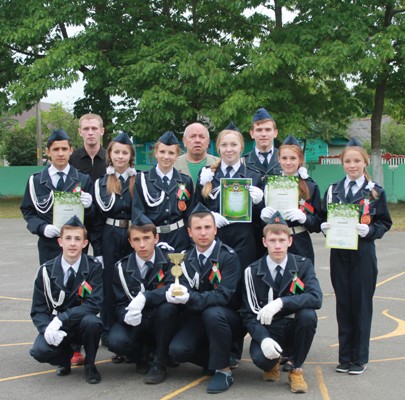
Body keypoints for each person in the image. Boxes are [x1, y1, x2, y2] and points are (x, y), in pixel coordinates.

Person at [321, 138, 392, 375]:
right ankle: (345, 357)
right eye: (348, 161)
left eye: (357, 161)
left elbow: (384, 222)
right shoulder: (333, 190)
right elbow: (323, 216)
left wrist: (370, 231)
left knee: (361, 304)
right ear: (342, 163)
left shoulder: (375, 192)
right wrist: (324, 227)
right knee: (343, 304)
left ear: (365, 162)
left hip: (363, 252)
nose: (352, 165)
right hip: (339, 252)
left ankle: (359, 358)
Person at [241, 212, 322, 394]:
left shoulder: (303, 265)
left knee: (308, 315)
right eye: (272, 240)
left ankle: (296, 368)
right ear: (264, 242)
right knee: (261, 359)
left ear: (290, 241)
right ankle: (272, 363)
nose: (277, 246)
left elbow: (316, 297)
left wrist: (282, 302)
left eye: (281, 240)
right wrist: (263, 339)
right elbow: (248, 314)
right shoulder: (251, 271)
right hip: (270, 328)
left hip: (294, 327)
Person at [168, 203, 244, 394]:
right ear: (189, 232)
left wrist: (189, 298)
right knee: (178, 351)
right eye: (198, 228)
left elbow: (223, 296)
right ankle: (219, 357)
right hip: (197, 318)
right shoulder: (183, 258)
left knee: (213, 313)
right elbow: (180, 287)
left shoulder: (228, 257)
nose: (203, 233)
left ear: (215, 229)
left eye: (207, 227)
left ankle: (223, 371)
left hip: (227, 319)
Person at [29, 215, 104, 384]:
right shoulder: (46, 271)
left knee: (93, 323)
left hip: (81, 324)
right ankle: (64, 359)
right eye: (68, 238)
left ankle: (90, 365)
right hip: (57, 326)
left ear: (85, 243)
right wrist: (47, 329)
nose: (72, 243)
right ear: (60, 242)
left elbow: (94, 303)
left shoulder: (93, 268)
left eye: (77, 239)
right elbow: (38, 309)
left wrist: (62, 318)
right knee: (39, 351)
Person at [108, 216, 177, 385]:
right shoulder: (121, 267)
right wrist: (126, 316)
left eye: (146, 238)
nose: (142, 245)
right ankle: (141, 356)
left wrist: (146, 297)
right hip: (137, 322)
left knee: (169, 309)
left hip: (160, 320)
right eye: (136, 240)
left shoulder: (170, 261)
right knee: (115, 341)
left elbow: (172, 289)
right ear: (130, 242)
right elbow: (118, 303)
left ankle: (159, 362)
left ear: (156, 238)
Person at [194, 122, 264, 269]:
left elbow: (261, 219)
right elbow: (196, 208)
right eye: (224, 145)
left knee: (243, 280)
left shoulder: (254, 175)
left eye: (234, 145)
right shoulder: (207, 174)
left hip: (245, 241)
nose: (229, 149)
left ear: (241, 147)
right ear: (218, 148)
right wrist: (210, 217)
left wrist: (259, 202)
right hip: (215, 239)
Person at [20, 129, 94, 265]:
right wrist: (42, 227)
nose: (60, 153)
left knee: (76, 278)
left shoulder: (83, 179)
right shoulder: (36, 181)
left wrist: (89, 206)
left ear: (71, 151)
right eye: (55, 149)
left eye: (64, 149)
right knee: (49, 277)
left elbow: (93, 218)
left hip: (76, 247)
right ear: (48, 152)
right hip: (49, 246)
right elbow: (28, 211)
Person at [92, 132, 137, 356]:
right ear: (109, 154)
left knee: (131, 282)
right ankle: (110, 334)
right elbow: (96, 220)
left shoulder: (139, 180)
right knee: (110, 284)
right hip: (110, 235)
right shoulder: (101, 183)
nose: (120, 156)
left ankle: (133, 333)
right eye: (116, 152)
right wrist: (98, 251)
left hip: (132, 235)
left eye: (124, 153)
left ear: (131, 156)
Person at [261, 135, 322, 265]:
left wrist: (305, 219)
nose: (288, 162)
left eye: (293, 158)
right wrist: (264, 216)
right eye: (284, 158)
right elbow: (259, 222)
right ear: (278, 159)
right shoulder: (270, 184)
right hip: (275, 242)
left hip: (300, 242)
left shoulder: (310, 186)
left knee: (301, 276)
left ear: (300, 159)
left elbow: (318, 223)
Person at [132, 131, 194, 252]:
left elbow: (190, 214)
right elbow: (137, 213)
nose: (166, 156)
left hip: (180, 238)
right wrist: (149, 236)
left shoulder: (185, 180)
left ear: (177, 155)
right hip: (153, 239)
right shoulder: (143, 179)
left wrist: (191, 242)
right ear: (156, 153)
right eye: (162, 152)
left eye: (171, 153)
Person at [243, 107, 282, 180]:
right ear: (252, 134)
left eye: (268, 130)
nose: (263, 134)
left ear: (275, 133)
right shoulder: (243, 162)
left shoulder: (285, 159)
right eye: (259, 130)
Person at [69, 113, 107, 182]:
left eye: (94, 128)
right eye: (86, 129)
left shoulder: (111, 159)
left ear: (102, 131)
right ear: (80, 132)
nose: (90, 133)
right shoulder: (71, 160)